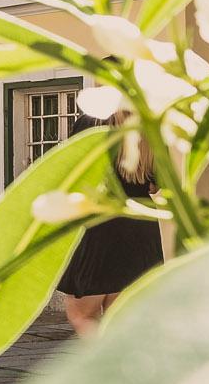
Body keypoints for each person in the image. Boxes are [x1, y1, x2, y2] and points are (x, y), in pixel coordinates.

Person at [58, 112, 164, 336]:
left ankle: (106, 369)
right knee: (121, 317)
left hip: (99, 223)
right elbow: (158, 185)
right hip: (141, 224)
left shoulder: (92, 122)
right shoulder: (151, 126)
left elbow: (74, 171)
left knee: (82, 315)